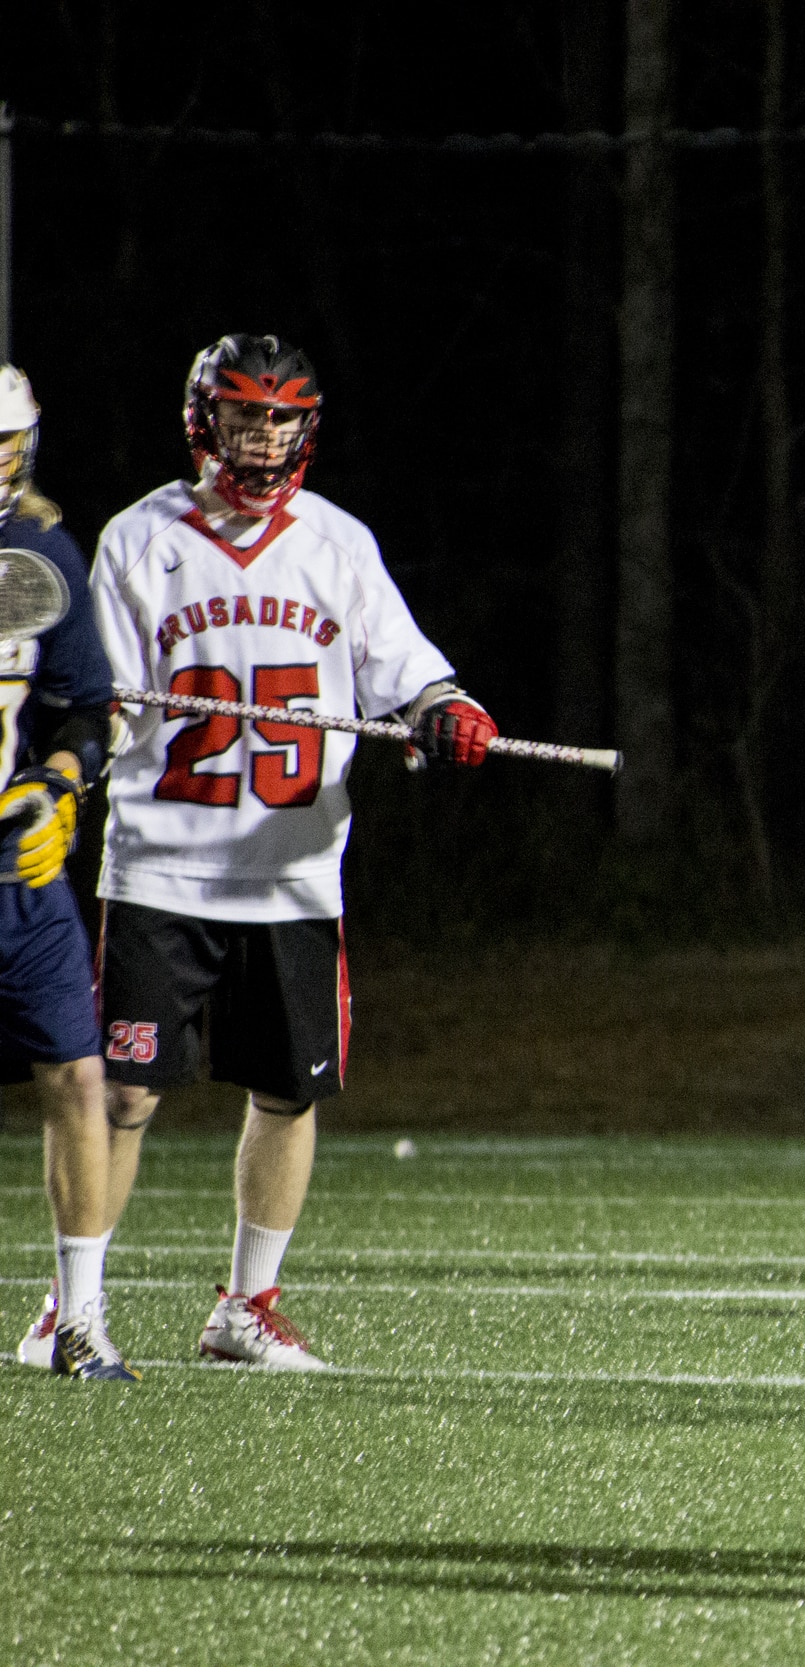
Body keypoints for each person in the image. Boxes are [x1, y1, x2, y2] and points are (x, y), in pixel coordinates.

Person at [43, 334, 500, 1373]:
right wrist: (90, 730)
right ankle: (73, 1308)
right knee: (123, 1093)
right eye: (247, 416)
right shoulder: (139, 539)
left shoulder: (338, 543)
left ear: (307, 427)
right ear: (205, 420)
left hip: (294, 869)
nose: (265, 437)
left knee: (289, 1091)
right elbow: (98, 699)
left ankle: (245, 1308)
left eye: (282, 418)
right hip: (162, 862)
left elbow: (412, 673)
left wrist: (447, 712)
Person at [0, 366, 133, 1380]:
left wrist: (59, 778)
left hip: (16, 868)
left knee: (80, 1076)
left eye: (9, 445)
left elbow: (89, 708)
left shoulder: (38, 551)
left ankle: (79, 1320)